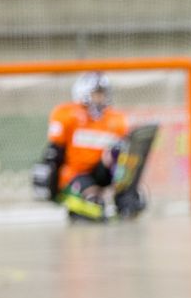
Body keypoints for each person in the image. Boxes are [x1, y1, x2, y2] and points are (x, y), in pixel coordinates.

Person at [31, 71, 145, 220]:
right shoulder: (69, 115)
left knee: (132, 200)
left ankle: (118, 199)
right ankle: (83, 200)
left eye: (103, 93)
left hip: (101, 173)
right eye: (96, 93)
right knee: (93, 206)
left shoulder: (115, 119)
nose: (101, 98)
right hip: (74, 175)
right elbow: (54, 152)